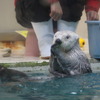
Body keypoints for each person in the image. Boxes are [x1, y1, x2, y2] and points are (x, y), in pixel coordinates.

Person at [14, 0, 99, 59]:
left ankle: (64, 51)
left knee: (63, 42)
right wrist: (53, 1)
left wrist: (92, 8)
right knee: (35, 31)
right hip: (32, 8)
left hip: (65, 9)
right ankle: (44, 52)